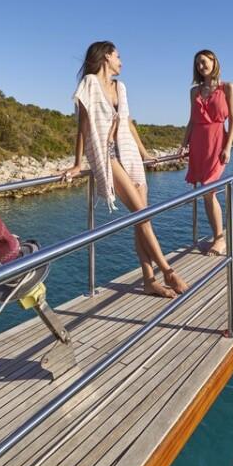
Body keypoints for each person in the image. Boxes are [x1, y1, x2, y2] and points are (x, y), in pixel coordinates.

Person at [62, 42, 188, 298]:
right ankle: (167, 270)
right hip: (107, 155)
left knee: (142, 219)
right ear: (107, 56)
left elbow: (127, 122)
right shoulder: (90, 84)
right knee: (142, 215)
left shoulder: (121, 87)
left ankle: (148, 279)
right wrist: (78, 163)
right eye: (118, 56)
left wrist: (144, 153)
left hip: (129, 153)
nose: (121, 61)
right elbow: (83, 126)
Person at [180, 49, 233, 255]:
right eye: (197, 64)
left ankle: (219, 239)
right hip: (198, 143)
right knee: (206, 192)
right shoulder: (194, 91)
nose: (200, 66)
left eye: (203, 62)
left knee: (207, 189)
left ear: (214, 62)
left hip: (217, 142)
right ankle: (217, 236)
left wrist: (228, 146)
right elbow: (192, 120)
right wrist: (183, 144)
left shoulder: (228, 87)